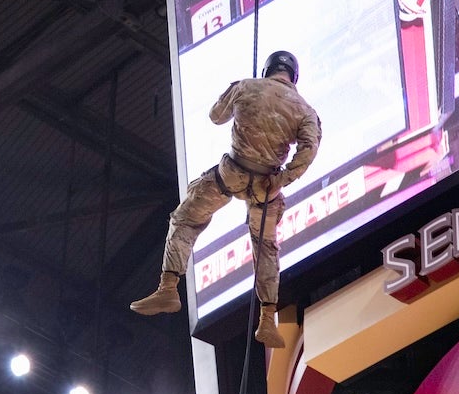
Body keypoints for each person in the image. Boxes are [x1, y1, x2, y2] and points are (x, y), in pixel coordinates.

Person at [130, 51, 322, 349]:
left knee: (185, 218)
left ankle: (168, 287)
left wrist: (241, 95)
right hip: (267, 187)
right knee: (266, 248)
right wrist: (282, 179)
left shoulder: (247, 86)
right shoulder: (305, 110)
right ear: (293, 76)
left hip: (231, 173)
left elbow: (216, 116)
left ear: (267, 68)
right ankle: (267, 319)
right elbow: (308, 150)